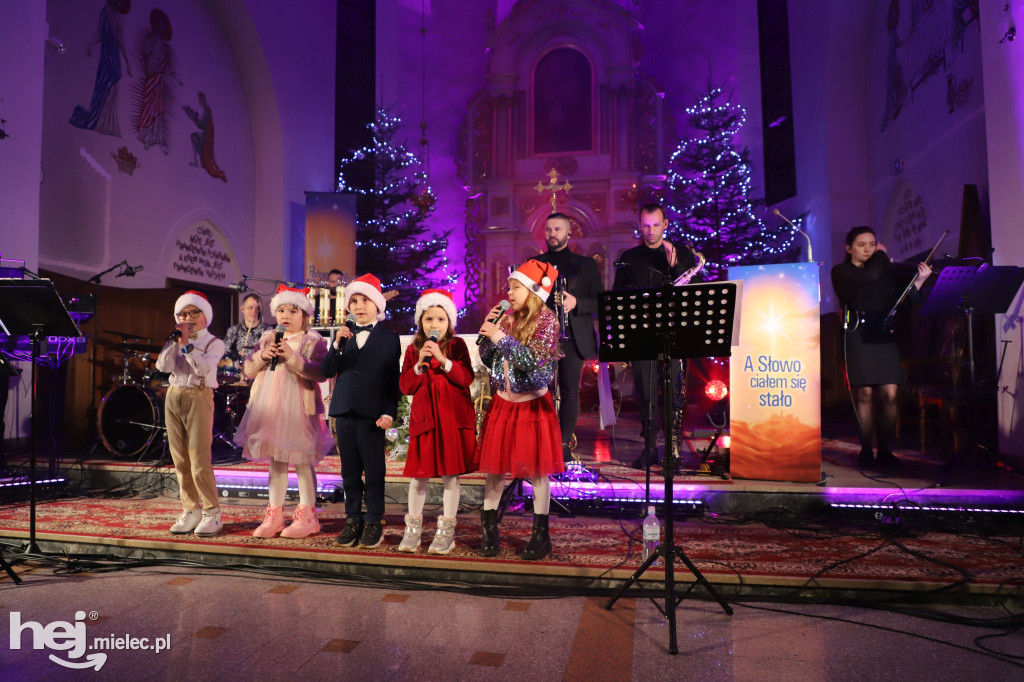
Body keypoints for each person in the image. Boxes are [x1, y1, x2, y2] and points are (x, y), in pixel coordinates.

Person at [476, 259, 565, 561]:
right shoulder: (507, 319)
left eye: (515, 287)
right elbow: (489, 361)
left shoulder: (547, 321)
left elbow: (529, 361)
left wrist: (499, 337)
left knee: (538, 471)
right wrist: (487, 337)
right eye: (509, 287)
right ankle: (489, 529)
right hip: (504, 403)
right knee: (495, 469)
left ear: (532, 290)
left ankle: (540, 535)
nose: (509, 293)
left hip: (532, 405)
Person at [234, 285, 333, 538]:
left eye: (292, 310)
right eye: (281, 310)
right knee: (276, 460)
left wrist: (292, 357)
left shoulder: (313, 341)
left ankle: (307, 515)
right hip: (270, 407)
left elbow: (319, 373)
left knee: (301, 461)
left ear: (305, 315)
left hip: (299, 407)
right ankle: (274, 515)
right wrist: (261, 357)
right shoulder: (268, 337)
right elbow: (249, 370)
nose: (285, 315)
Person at [831, 226, 931, 468]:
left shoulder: (885, 271)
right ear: (849, 248)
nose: (868, 249)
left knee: (889, 395)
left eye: (873, 244)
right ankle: (866, 450)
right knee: (864, 395)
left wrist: (918, 283)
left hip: (884, 334)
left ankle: (885, 450)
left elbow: (904, 304)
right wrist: (882, 255)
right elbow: (869, 277)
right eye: (862, 244)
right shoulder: (842, 271)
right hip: (858, 334)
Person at [612, 203, 697, 469]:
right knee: (646, 395)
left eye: (655, 225)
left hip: (675, 334)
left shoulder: (680, 253)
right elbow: (617, 296)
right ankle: (649, 449)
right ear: (640, 225)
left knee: (674, 395)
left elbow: (694, 288)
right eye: (646, 225)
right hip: (642, 334)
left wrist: (676, 263)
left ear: (666, 224)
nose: (650, 231)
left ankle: (673, 451)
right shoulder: (629, 256)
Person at [322, 274, 400, 549]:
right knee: (350, 471)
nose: (358, 306)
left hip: (371, 415)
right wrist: (336, 345)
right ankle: (352, 517)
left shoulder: (389, 339)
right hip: (344, 411)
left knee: (374, 469)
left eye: (364, 300)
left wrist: (389, 413)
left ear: (376, 304)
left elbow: (393, 382)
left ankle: (374, 519)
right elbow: (325, 371)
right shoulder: (344, 335)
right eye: (353, 300)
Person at [397, 289, 477, 554]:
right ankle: (413, 530)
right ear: (421, 322)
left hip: (452, 420)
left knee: (450, 476)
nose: (434, 324)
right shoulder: (413, 350)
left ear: (449, 322)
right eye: (429, 319)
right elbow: (406, 386)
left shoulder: (457, 346)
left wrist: (444, 361)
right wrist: (419, 365)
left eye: (440, 319)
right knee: (419, 477)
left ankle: (446, 532)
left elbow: (465, 379)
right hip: (426, 421)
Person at [533, 213, 603, 464]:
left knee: (571, 392)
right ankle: (546, 442)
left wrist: (576, 302)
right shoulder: (535, 263)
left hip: (573, 337)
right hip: (543, 338)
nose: (552, 233)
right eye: (548, 229)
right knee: (544, 392)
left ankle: (562, 445)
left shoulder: (585, 265)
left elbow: (599, 301)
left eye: (558, 229)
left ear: (569, 233)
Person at [156, 290, 226, 536]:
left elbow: (204, 369)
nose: (189, 317)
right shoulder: (176, 340)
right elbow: (163, 367)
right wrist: (175, 343)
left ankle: (212, 511)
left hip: (199, 395)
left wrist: (187, 345)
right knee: (180, 459)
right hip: (174, 395)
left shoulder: (214, 342)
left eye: (194, 312)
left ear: (205, 315)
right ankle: (190, 509)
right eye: (184, 314)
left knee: (198, 459)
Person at [223, 292, 269, 362]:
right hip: (239, 370)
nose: (254, 311)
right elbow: (225, 354)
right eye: (250, 308)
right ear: (242, 309)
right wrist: (236, 356)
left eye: (258, 308)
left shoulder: (269, 331)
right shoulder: (233, 330)